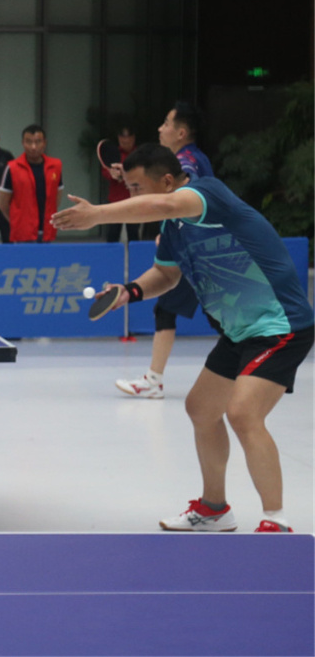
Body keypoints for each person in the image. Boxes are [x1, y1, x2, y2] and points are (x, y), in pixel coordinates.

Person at [51, 144, 313, 533]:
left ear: (167, 181)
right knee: (201, 409)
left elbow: (165, 205)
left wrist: (97, 215)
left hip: (280, 324)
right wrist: (129, 292)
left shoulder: (207, 195)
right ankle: (214, 509)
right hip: (240, 331)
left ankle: (276, 521)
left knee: (243, 413)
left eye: (137, 187)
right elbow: (167, 275)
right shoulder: (172, 228)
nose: (132, 196)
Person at [117, 103, 215, 399]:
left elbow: (173, 200)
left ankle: (154, 380)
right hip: (195, 251)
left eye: (166, 123)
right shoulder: (192, 158)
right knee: (193, 311)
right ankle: (155, 378)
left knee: (176, 310)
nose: (160, 129)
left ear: (181, 132)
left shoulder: (186, 164)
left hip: (196, 254)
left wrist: (96, 214)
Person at [0, 124, 61, 243]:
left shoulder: (55, 166)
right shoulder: (12, 168)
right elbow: (3, 204)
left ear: (44, 143)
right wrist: (17, 221)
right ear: (23, 143)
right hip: (23, 234)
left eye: (38, 142)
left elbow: (56, 199)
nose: (33, 147)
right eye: (29, 142)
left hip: (47, 231)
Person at [101, 126, 140, 243]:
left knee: (134, 235)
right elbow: (105, 171)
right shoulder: (113, 153)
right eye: (123, 137)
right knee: (112, 235)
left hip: (134, 201)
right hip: (115, 200)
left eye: (128, 137)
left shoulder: (140, 154)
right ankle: (110, 255)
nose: (126, 140)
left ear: (133, 138)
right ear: (119, 138)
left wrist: (128, 175)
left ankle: (135, 255)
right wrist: (112, 174)